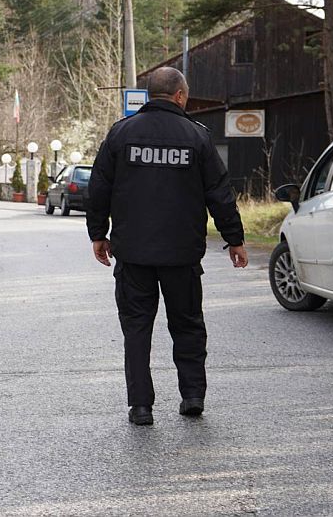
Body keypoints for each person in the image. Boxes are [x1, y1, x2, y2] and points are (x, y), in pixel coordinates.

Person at [86, 67, 248, 425]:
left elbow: (98, 187)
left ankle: (140, 406)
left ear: (149, 96)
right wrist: (234, 239)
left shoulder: (121, 134)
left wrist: (98, 233)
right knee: (188, 325)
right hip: (182, 253)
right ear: (179, 95)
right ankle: (192, 396)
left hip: (133, 253)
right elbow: (219, 194)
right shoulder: (197, 137)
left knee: (137, 328)